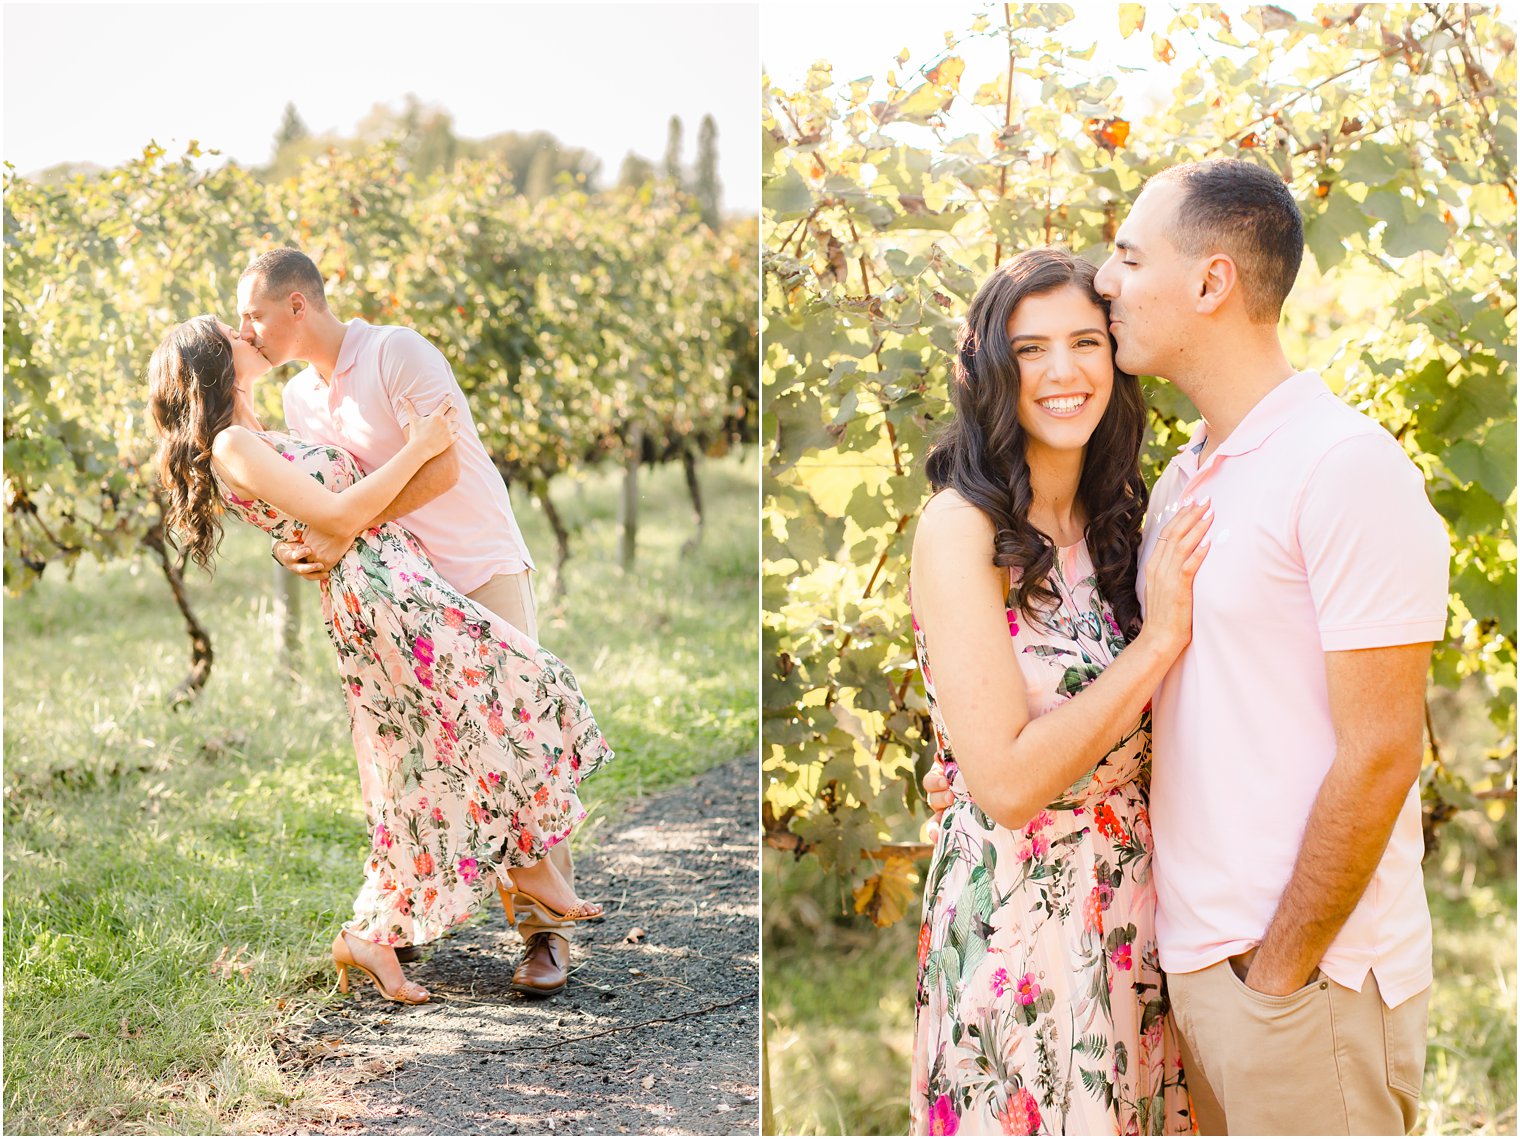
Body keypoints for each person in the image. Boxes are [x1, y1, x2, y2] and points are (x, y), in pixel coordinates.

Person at [931, 159, 1449, 1135]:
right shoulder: (1179, 484)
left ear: (1209, 282)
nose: (1110, 278)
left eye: (1128, 257)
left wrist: (1275, 971)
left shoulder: (1344, 469)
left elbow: (1380, 750)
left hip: (1298, 972)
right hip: (1174, 960)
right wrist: (967, 764)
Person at [147, 315, 614, 1005]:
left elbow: (317, 516)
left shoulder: (270, 423)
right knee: (486, 711)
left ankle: (386, 931)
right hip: (386, 595)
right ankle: (526, 883)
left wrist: (310, 534)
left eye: (252, 319)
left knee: (449, 738)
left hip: (400, 578)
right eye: (234, 330)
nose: (249, 332)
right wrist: (417, 446)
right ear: (218, 361)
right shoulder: (235, 441)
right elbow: (335, 513)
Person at [908, 246, 1204, 1136]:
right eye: (1032, 349)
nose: (1066, 370)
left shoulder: (1122, 514)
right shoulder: (961, 527)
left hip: (1144, 910)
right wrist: (1156, 644)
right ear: (993, 368)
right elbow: (1003, 785)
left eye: (1086, 340)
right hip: (1022, 925)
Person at [235, 249, 579, 997]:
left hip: (479, 560)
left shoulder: (397, 352)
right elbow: (323, 492)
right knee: (413, 754)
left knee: (510, 726)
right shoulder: (298, 399)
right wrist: (308, 539)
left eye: (255, 314)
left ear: (298, 305)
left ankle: (542, 934)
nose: (247, 328)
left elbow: (443, 467)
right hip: (403, 591)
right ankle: (408, 916)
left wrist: (341, 530)